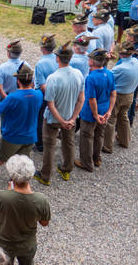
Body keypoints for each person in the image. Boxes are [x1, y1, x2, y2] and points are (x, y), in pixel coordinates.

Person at [33, 42, 85, 186]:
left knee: (49, 147)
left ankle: (45, 175)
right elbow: (81, 99)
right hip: (70, 117)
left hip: (53, 119)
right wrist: (73, 118)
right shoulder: (78, 74)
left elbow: (50, 103)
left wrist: (61, 120)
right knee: (69, 143)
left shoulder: (53, 78)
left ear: (57, 58)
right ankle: (66, 168)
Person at [0, 155, 50, 265]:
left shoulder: (1, 196)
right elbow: (44, 223)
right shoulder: (41, 199)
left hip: (4, 244)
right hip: (27, 245)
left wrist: (8, 192)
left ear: (12, 175)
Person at [0, 63, 42, 179]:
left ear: (18, 81)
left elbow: (3, 109)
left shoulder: (12, 97)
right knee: (23, 157)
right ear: (31, 80)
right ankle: (18, 177)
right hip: (30, 134)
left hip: (13, 133)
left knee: (2, 154)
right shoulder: (38, 95)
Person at [75, 49, 116, 172]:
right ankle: (96, 158)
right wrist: (109, 111)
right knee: (99, 135)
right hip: (104, 110)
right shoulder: (109, 74)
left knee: (86, 136)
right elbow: (113, 94)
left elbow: (92, 99)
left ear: (92, 61)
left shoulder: (91, 78)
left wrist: (95, 114)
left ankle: (86, 163)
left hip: (91, 113)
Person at [102, 41, 138, 152]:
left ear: (120, 53)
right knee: (123, 117)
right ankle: (125, 141)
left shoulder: (120, 68)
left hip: (118, 96)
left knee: (111, 120)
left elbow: (107, 78)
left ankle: (107, 146)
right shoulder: (136, 61)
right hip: (130, 94)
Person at [32, 34, 58, 152]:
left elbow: (42, 86)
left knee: (40, 118)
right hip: (58, 91)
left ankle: (40, 144)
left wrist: (50, 98)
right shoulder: (58, 59)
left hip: (45, 95)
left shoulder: (40, 64)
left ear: (42, 48)